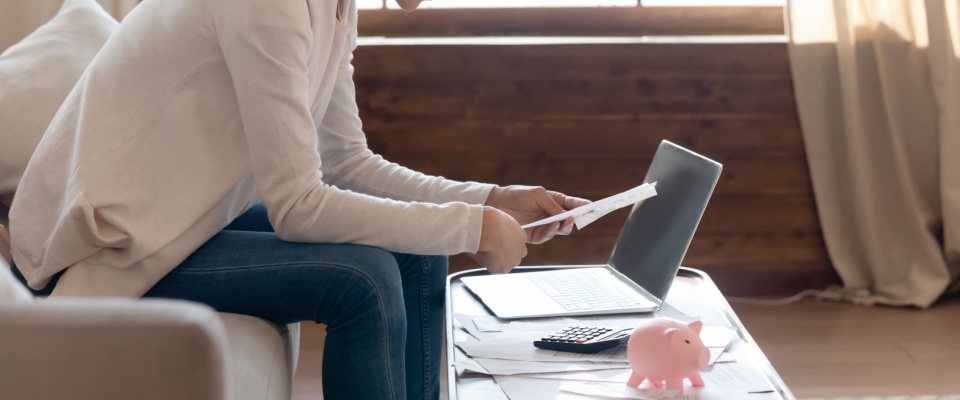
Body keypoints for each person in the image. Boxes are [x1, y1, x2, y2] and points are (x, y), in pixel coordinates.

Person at [7, 0, 589, 399]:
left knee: (415, 248)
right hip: (105, 250)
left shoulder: (336, 7)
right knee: (362, 278)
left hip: (179, 227)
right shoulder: (269, 6)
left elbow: (348, 163)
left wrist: (492, 200)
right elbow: (298, 206)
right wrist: (474, 229)